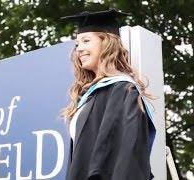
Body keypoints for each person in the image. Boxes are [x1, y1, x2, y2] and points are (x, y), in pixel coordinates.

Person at [60, 9, 157, 180]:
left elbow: (128, 157)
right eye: (77, 44)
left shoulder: (122, 90)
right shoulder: (90, 96)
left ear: (106, 43)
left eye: (86, 41)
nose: (79, 49)